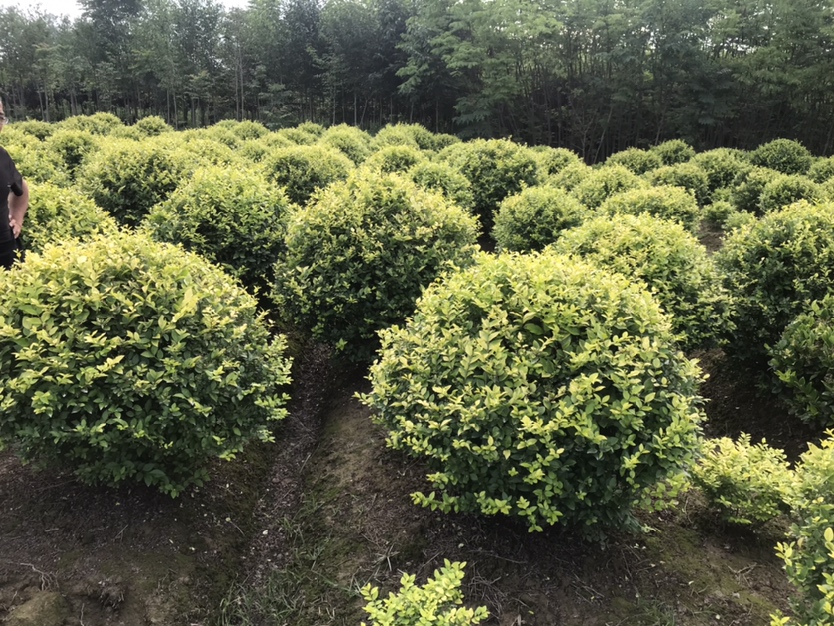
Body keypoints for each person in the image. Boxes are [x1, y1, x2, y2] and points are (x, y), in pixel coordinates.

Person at [0, 98, 29, 270]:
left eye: (0, 117)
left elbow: (21, 188)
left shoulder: (2, 156)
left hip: (6, 256)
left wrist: (17, 218)